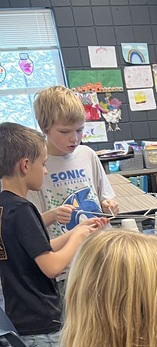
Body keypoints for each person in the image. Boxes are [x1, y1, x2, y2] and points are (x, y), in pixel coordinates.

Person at [0, 122, 108, 347]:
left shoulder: (4, 209)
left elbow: (39, 251)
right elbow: (51, 266)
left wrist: (76, 231)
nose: (46, 171)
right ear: (24, 165)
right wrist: (77, 236)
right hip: (42, 320)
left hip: (23, 315)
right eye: (44, 164)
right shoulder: (22, 209)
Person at [28, 85, 120, 236]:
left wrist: (109, 205)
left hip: (98, 241)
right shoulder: (35, 165)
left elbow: (105, 197)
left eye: (79, 130)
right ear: (44, 127)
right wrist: (52, 215)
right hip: (64, 250)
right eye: (64, 131)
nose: (74, 138)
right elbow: (30, 224)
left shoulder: (87, 154)